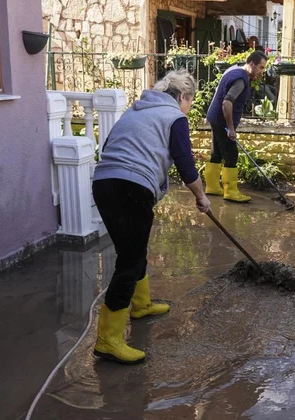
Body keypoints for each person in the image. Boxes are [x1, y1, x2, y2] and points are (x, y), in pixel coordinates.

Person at [91, 69, 210, 364]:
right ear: (183, 96)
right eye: (190, 102)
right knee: (129, 261)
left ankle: (141, 304)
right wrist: (202, 197)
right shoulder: (174, 117)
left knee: (131, 250)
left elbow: (108, 147)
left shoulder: (138, 110)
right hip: (130, 187)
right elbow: (186, 165)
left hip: (104, 184)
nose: (188, 109)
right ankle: (108, 339)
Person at [204, 51, 268, 203]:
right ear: (251, 64)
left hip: (214, 117)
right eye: (260, 67)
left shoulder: (233, 69)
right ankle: (231, 192)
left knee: (217, 153)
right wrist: (231, 128)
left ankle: (212, 187)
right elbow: (227, 102)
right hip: (222, 120)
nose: (261, 71)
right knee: (231, 155)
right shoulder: (240, 80)